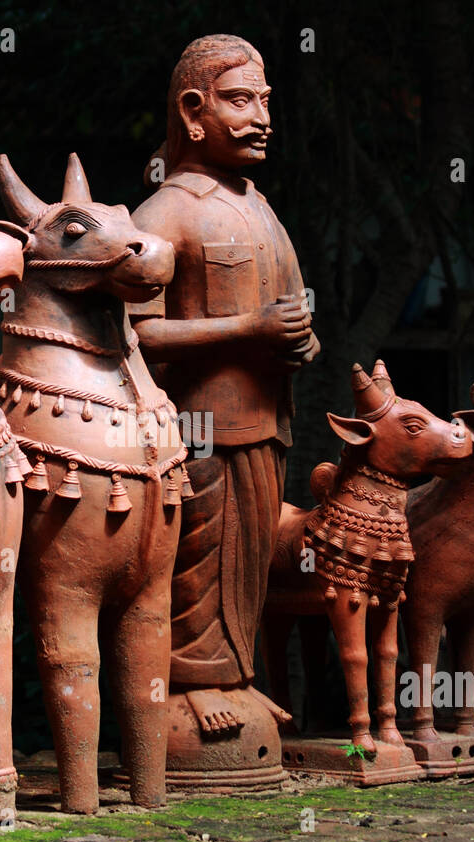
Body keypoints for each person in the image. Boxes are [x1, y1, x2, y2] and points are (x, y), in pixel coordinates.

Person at [130, 34, 320, 775]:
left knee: (248, 561)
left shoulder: (261, 208)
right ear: (194, 110)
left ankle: (237, 676)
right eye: (241, 100)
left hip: (265, 421)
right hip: (198, 426)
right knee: (196, 559)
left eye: (265, 100)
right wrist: (247, 329)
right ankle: (190, 682)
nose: (261, 115)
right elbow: (136, 334)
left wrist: (300, 343)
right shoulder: (165, 213)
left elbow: (292, 311)